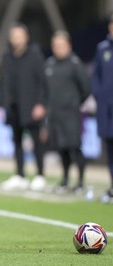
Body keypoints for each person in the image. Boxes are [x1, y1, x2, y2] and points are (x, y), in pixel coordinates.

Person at [0, 23, 47, 192]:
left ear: (26, 37)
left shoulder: (35, 56)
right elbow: (2, 81)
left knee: (36, 141)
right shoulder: (7, 57)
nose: (16, 40)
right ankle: (20, 175)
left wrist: (41, 103)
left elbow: (42, 82)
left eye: (19, 36)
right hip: (13, 106)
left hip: (31, 106)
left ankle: (40, 175)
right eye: (14, 36)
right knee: (16, 141)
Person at [44, 31, 90, 194]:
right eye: (55, 45)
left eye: (61, 45)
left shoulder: (75, 64)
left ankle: (80, 182)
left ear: (68, 46)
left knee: (74, 147)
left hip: (71, 115)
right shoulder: (49, 64)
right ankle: (64, 180)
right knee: (61, 149)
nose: (58, 48)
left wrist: (74, 103)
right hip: (55, 115)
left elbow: (86, 88)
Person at [92, 14, 113, 203]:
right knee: (110, 149)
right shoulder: (102, 48)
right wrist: (99, 96)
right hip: (106, 110)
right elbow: (96, 77)